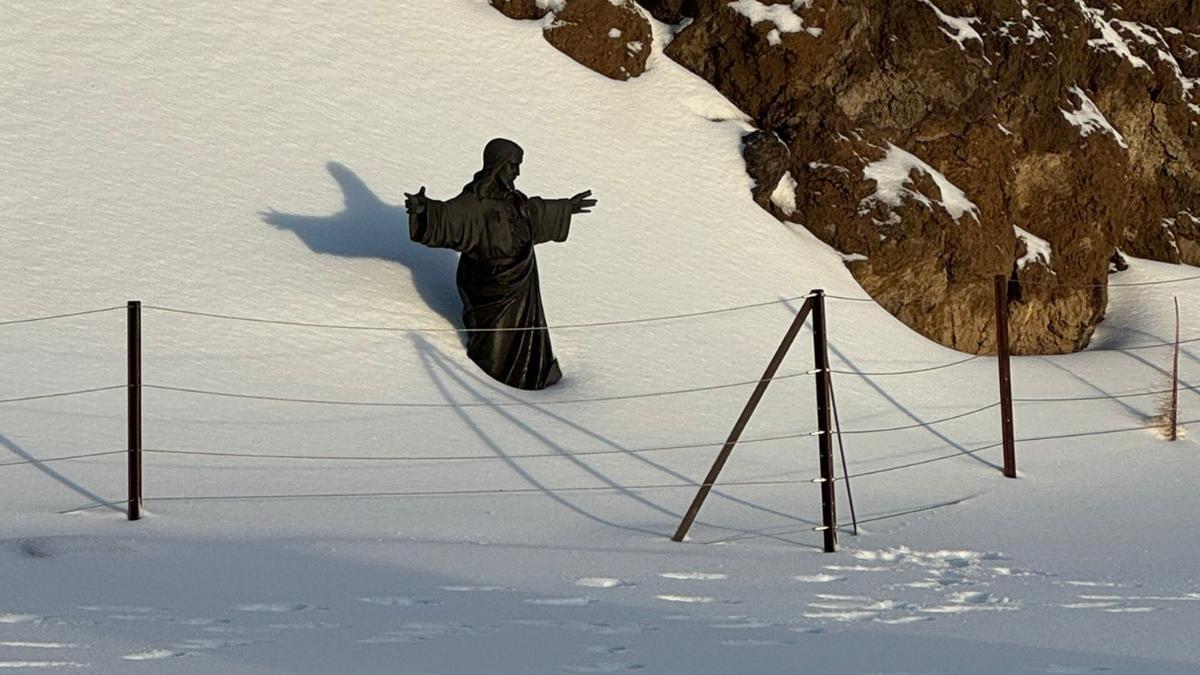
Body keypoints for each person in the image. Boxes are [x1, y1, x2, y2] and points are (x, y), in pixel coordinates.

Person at [405, 138, 596, 390]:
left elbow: (534, 211)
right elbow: (446, 216)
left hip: (521, 286)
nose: (516, 172)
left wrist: (565, 207)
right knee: (495, 348)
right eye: (512, 166)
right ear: (496, 165)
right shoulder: (474, 204)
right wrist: (423, 210)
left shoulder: (514, 201)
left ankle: (533, 376)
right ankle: (498, 381)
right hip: (492, 291)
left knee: (526, 338)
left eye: (519, 166)